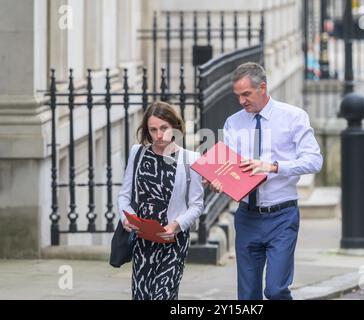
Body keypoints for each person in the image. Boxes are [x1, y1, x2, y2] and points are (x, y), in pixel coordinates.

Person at [208, 62, 323, 300]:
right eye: (238, 96)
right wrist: (215, 181)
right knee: (248, 296)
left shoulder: (293, 117)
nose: (241, 101)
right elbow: (226, 168)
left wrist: (273, 167)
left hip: (282, 216)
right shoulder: (233, 123)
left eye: (246, 94)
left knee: (276, 290)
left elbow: (314, 160)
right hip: (247, 216)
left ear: (262, 87)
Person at [117, 101, 204, 300]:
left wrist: (176, 225)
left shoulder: (191, 159)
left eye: (164, 128)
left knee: (163, 296)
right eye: (153, 129)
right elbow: (124, 196)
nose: (159, 135)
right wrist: (126, 218)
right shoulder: (137, 154)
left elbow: (197, 205)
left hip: (173, 241)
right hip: (143, 241)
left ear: (174, 126)